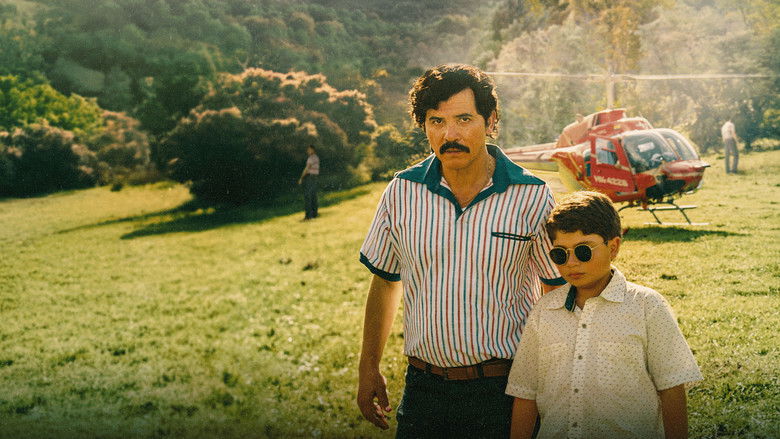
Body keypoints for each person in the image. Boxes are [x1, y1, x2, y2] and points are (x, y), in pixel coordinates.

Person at [356, 64, 564, 438]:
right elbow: (385, 282)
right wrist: (368, 367)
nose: (449, 135)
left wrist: (553, 383)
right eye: (436, 121)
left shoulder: (532, 196)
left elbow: (556, 294)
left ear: (491, 120)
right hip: (423, 390)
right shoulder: (401, 193)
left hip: (505, 388)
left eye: (464, 119)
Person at [507, 191, 703, 439]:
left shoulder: (647, 307)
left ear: (613, 247)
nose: (571, 263)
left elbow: (672, 389)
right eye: (560, 254)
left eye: (583, 251)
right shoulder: (544, 311)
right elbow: (525, 393)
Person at [298, 144, 319, 220]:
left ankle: (308, 216)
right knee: (313, 196)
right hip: (315, 177)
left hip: (309, 177)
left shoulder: (311, 158)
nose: (308, 151)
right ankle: (314, 214)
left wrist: (301, 178)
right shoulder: (316, 157)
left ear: (313, 150)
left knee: (308, 196)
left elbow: (307, 169)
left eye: (309, 149)